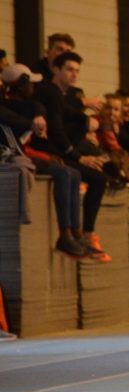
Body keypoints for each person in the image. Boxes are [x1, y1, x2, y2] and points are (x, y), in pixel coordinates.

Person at [1, 63, 89, 257]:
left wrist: (39, 115)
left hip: (18, 153)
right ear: (20, 86)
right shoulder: (6, 106)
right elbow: (6, 115)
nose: (34, 88)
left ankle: (76, 231)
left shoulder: (25, 105)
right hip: (10, 156)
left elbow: (37, 105)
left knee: (74, 173)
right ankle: (64, 233)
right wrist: (31, 123)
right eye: (30, 84)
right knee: (65, 173)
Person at [33, 51, 111, 261]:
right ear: (55, 69)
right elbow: (57, 129)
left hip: (61, 151)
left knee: (91, 175)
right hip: (49, 152)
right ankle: (75, 234)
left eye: (77, 71)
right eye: (69, 69)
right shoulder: (48, 91)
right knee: (84, 176)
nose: (74, 74)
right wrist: (77, 157)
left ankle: (79, 234)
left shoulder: (65, 96)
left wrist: (86, 121)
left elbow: (67, 114)